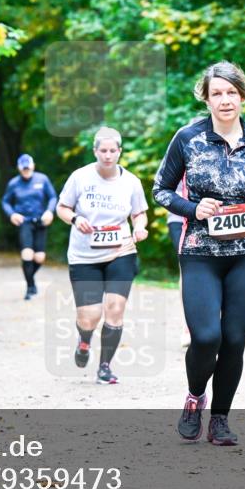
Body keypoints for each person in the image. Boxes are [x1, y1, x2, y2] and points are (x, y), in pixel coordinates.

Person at [152, 61, 245, 445]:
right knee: (207, 337)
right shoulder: (188, 138)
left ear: (242, 95)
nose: (225, 100)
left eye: (231, 92)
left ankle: (221, 419)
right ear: (206, 99)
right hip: (200, 252)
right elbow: (160, 190)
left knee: (234, 340)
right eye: (217, 93)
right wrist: (194, 209)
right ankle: (195, 398)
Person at [56, 127, 148, 385]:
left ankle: (105, 366)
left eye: (113, 151)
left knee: (115, 309)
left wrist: (140, 227)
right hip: (84, 255)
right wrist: (76, 219)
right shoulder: (80, 177)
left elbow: (139, 213)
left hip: (121, 252)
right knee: (90, 317)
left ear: (119, 152)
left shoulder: (131, 181)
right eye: (103, 151)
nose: (108, 156)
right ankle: (84, 341)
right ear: (95, 151)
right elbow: (62, 207)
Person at [2, 154, 58, 300]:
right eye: (23, 168)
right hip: (24, 222)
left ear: (33, 166)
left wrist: (49, 211)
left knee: (39, 258)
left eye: (28, 167)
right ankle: (30, 287)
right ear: (19, 169)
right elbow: (5, 202)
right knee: (27, 254)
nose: (26, 170)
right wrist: (12, 214)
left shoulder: (42, 179)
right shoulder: (13, 183)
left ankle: (30, 278)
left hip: (40, 221)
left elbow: (52, 197)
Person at [166, 180, 190, 349]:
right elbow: (164, 189)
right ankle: (189, 325)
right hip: (180, 219)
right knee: (188, 268)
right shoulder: (177, 152)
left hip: (216, 218)